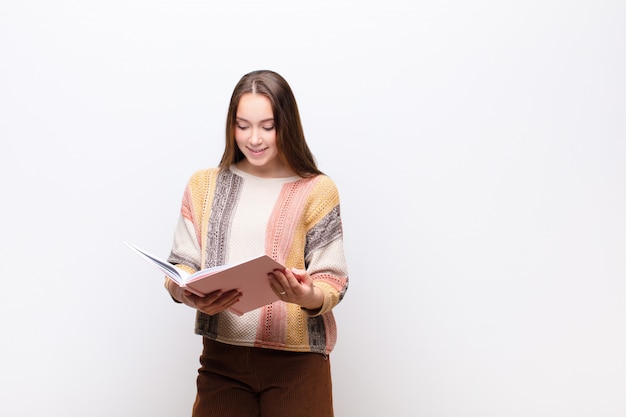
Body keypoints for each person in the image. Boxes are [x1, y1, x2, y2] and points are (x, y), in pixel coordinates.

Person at [164, 70, 349, 417]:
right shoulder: (203, 185)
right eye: (243, 124)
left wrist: (305, 295)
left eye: (267, 125)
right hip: (222, 360)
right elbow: (181, 265)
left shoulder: (318, 190)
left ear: (287, 125)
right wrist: (184, 290)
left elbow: (332, 281)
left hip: (297, 366)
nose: (254, 138)